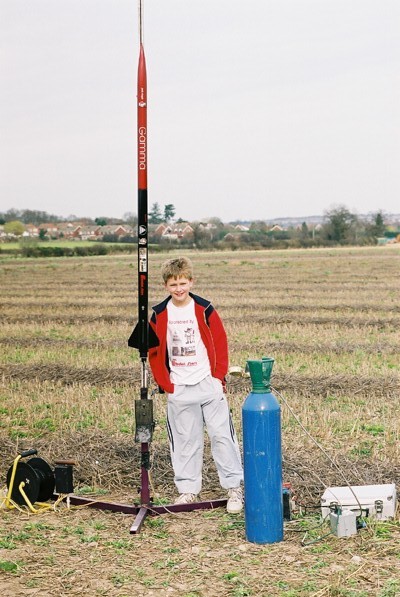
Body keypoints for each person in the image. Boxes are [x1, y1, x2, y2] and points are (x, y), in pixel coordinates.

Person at [148, 257, 243, 514]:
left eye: (182, 282)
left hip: (207, 384)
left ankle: (234, 488)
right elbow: (154, 352)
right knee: (184, 440)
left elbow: (220, 342)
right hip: (179, 386)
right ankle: (188, 490)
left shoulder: (204, 309)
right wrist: (166, 384)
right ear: (166, 286)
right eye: (173, 284)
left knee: (222, 436)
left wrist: (217, 377)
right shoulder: (159, 314)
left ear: (191, 281)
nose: (178, 288)